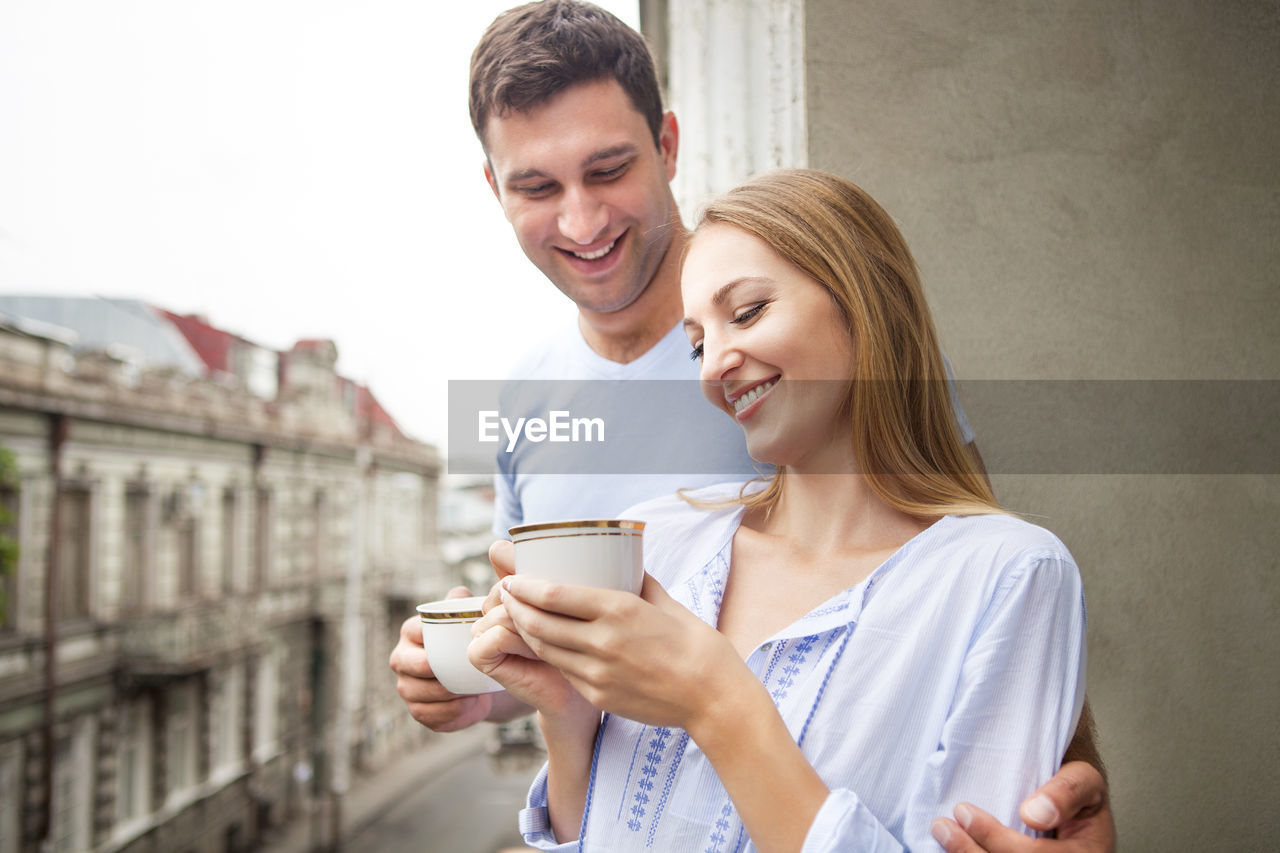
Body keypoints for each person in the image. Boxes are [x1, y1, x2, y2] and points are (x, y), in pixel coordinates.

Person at [388, 2, 1114, 847]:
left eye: (609, 169)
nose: (582, 222)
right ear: (494, 189)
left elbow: (973, 590)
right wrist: (488, 683)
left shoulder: (839, 367)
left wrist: (1060, 785)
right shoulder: (508, 399)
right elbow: (571, 656)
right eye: (539, 187)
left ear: (667, 144)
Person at [469, 168, 1086, 851]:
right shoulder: (661, 541)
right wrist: (566, 715)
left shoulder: (1007, 576)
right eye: (698, 342)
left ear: (863, 300)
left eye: (749, 311)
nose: (712, 367)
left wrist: (716, 698)